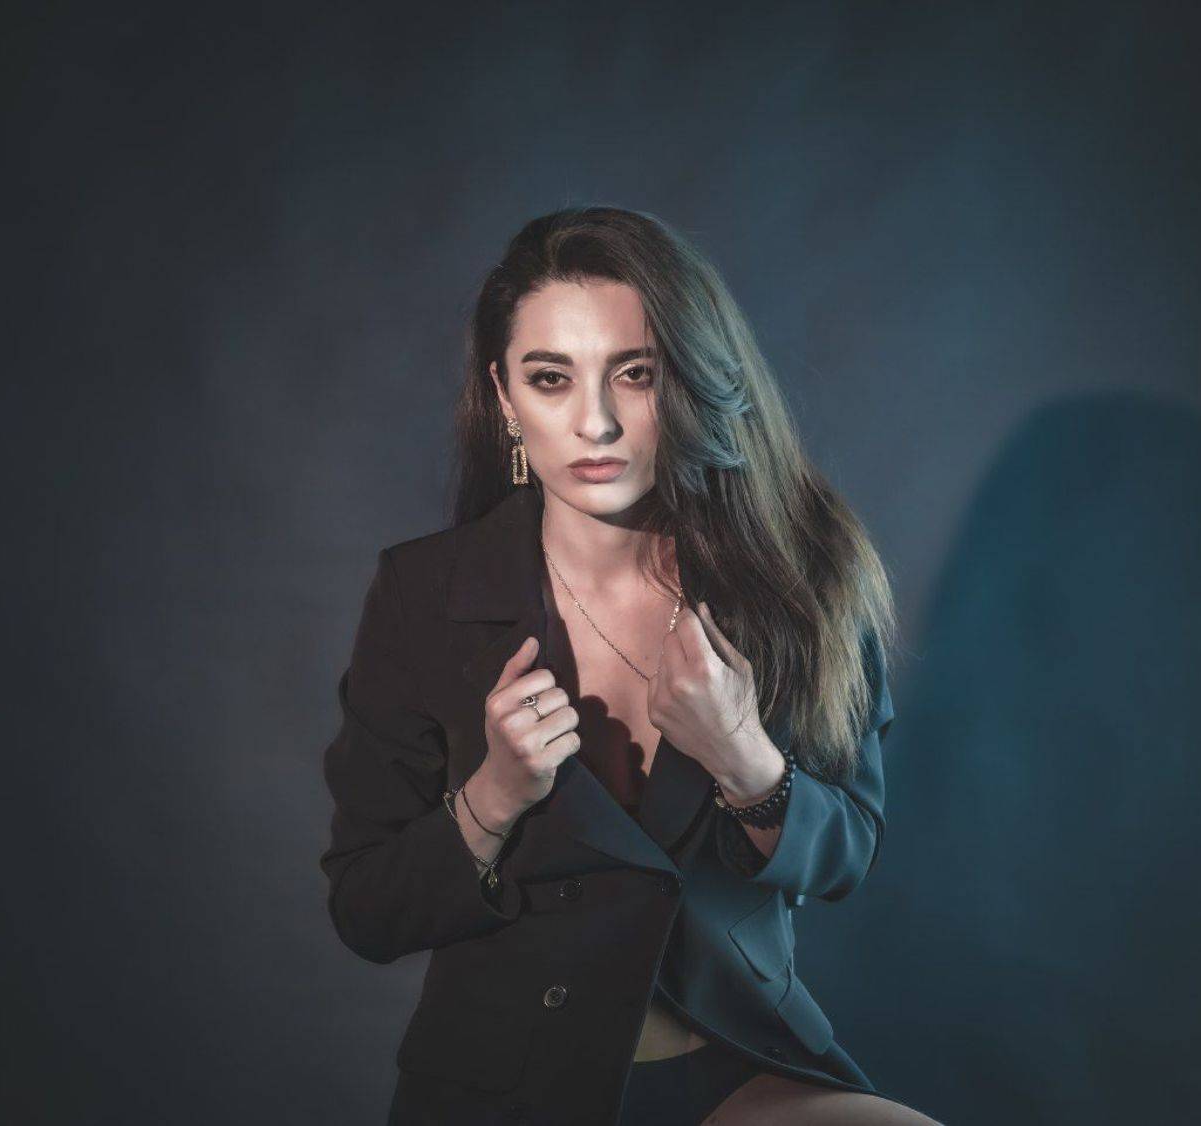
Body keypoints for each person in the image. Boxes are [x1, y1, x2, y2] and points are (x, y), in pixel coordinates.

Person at [319, 206, 942, 1125]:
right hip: (509, 1092)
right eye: (551, 378)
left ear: (685, 379)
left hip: (736, 1069)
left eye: (635, 374)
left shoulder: (802, 575)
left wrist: (746, 761)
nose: (596, 422)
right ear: (504, 397)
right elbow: (369, 911)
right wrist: (492, 798)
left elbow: (847, 854)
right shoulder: (424, 595)